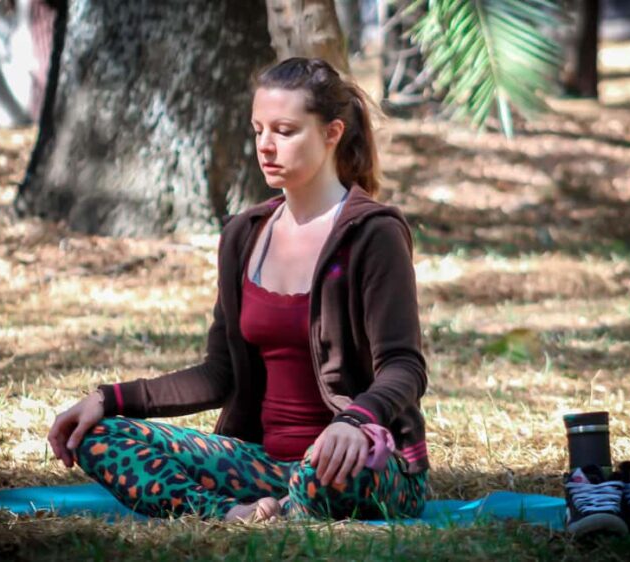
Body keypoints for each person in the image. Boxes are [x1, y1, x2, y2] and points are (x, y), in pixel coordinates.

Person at [47, 57, 429, 523]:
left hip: (356, 461)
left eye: (285, 131)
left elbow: (404, 366)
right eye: (258, 130)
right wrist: (107, 399)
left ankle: (292, 505)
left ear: (332, 133)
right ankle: (233, 514)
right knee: (99, 436)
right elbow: (219, 373)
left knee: (328, 470)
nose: (265, 146)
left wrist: (356, 420)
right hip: (259, 464)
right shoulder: (244, 235)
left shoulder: (373, 233)